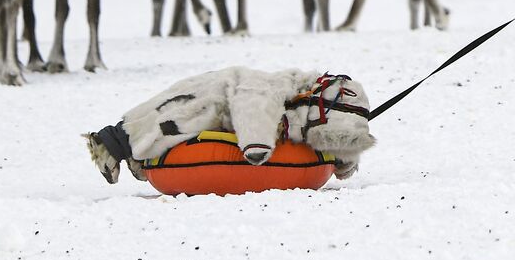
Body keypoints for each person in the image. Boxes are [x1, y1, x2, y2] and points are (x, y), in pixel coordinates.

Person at [84, 66, 376, 184]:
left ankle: (132, 150)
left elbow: (343, 131)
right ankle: (112, 144)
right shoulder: (279, 85)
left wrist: (343, 160)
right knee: (169, 119)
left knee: (170, 122)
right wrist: (257, 143)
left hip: (222, 100)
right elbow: (254, 102)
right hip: (215, 96)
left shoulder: (313, 109)